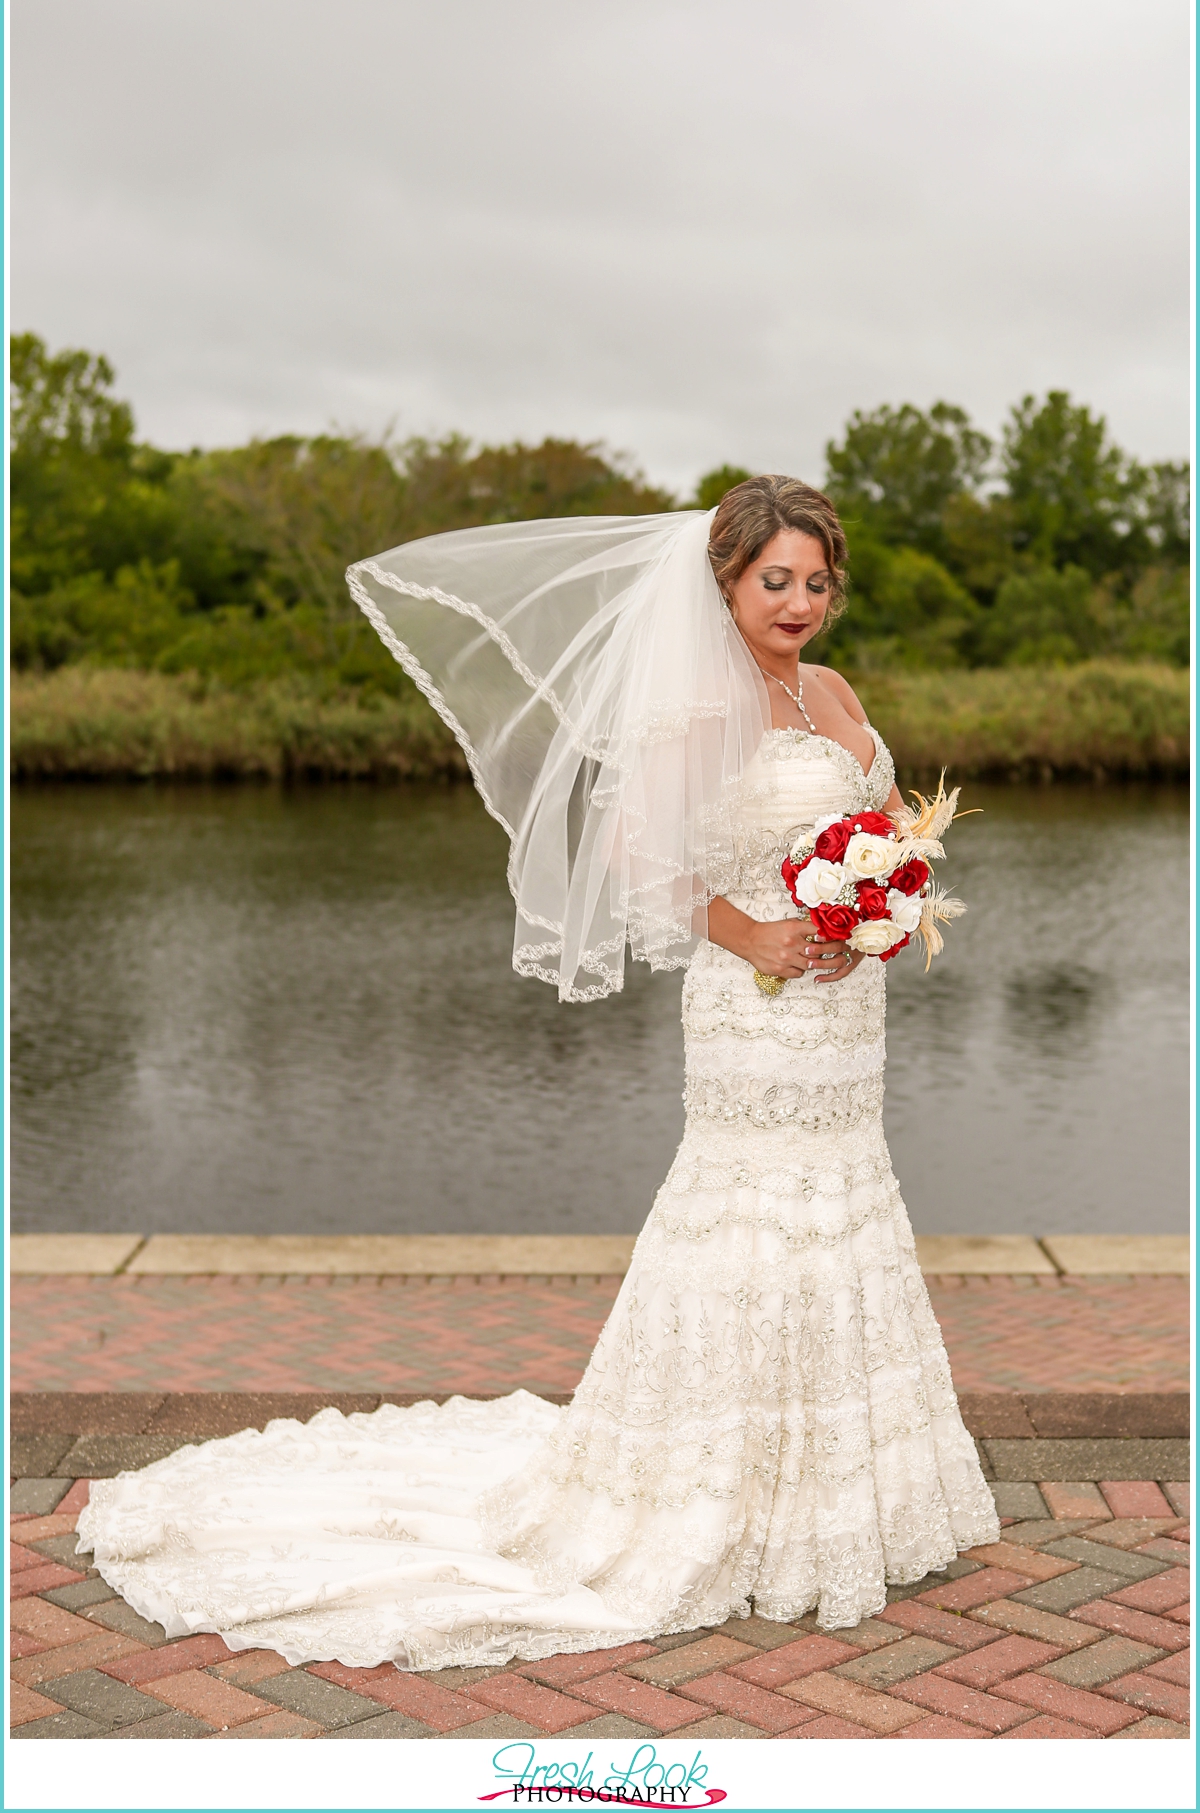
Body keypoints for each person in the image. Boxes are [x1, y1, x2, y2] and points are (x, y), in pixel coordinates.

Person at [77, 477, 999, 1672]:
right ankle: (705, 1486)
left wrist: (886, 896)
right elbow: (641, 862)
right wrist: (761, 934)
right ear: (724, 578)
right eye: (776, 577)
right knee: (745, 1211)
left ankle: (839, 1492)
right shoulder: (697, 705)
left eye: (818, 580)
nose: (801, 601)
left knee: (845, 1200)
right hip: (755, 997)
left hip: (844, 1012)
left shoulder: (831, 691)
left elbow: (878, 820)